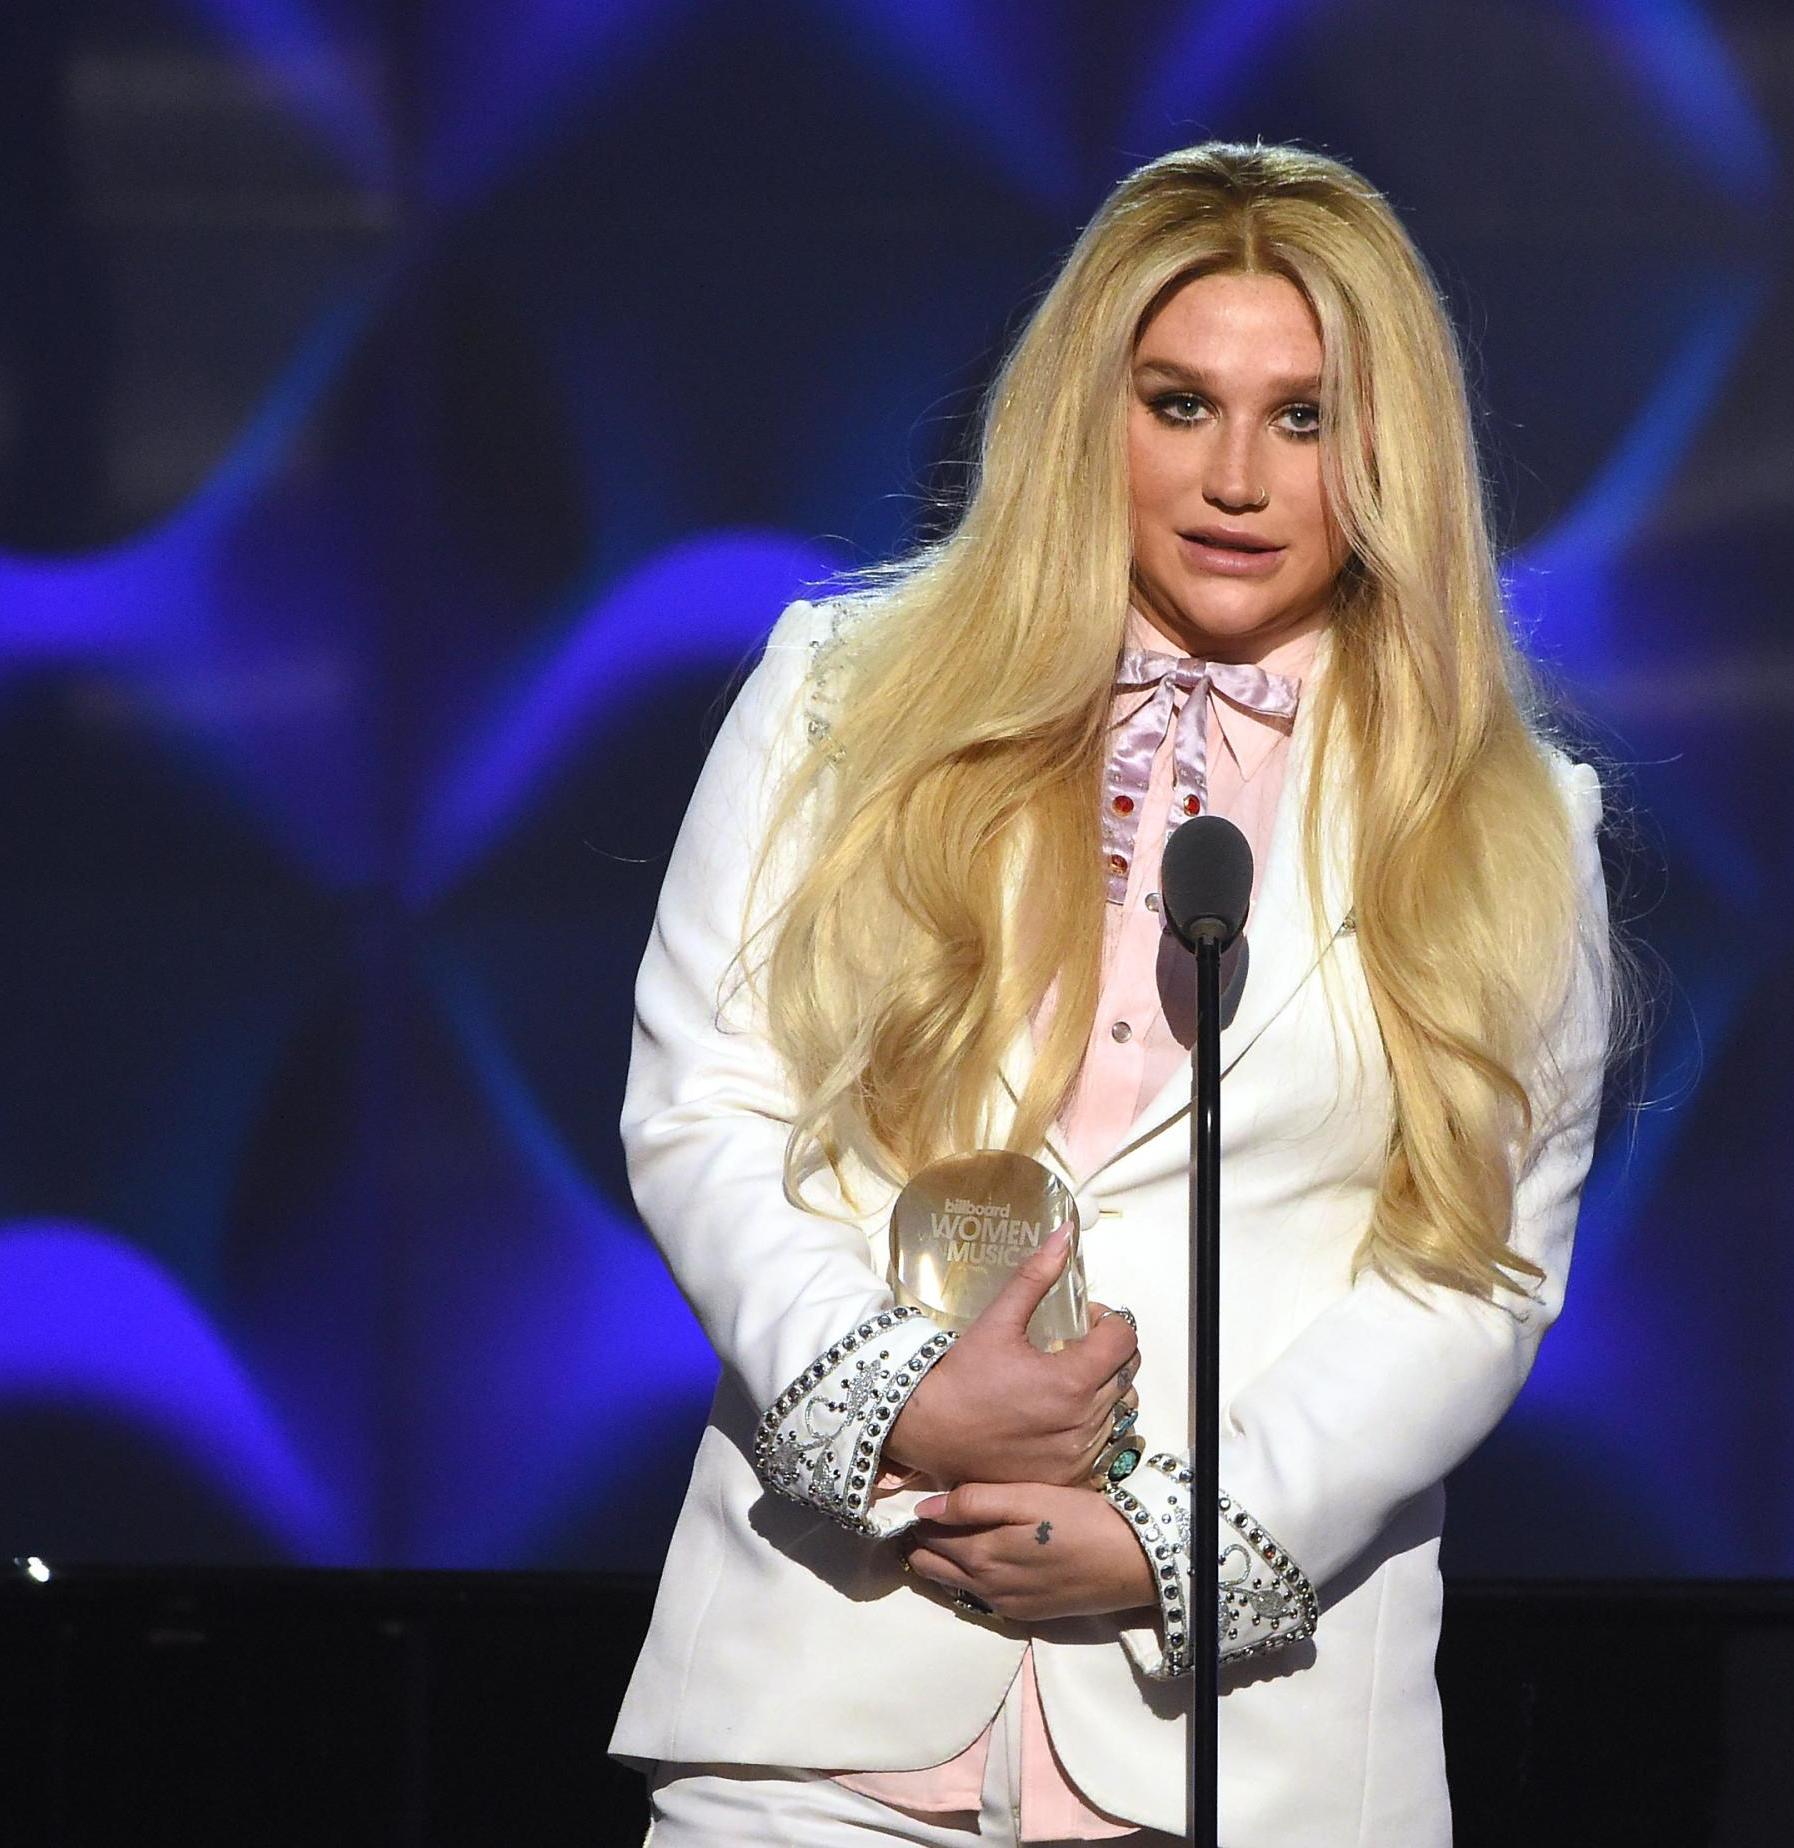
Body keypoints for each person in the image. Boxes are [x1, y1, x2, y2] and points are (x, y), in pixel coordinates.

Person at [609, 141, 1622, 1847]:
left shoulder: (1512, 818)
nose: (1238, 476)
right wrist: (895, 1394)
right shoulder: (839, 693)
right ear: (1092, 414)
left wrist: (1178, 1538)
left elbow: (1476, 1273)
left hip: (1250, 1753)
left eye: (1303, 418)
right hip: (819, 1697)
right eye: (1178, 403)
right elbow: (701, 1109)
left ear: (1389, 455)